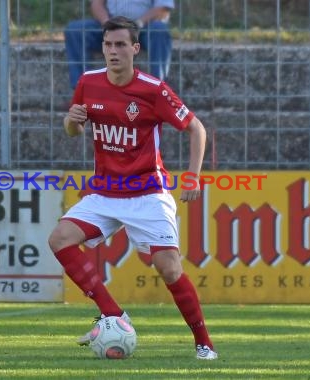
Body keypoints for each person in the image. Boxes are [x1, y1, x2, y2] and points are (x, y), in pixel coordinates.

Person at [48, 16, 218, 360]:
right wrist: (71, 121)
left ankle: (204, 343)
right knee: (60, 238)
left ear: (135, 49)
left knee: (169, 267)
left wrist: (192, 176)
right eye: (108, 45)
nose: (113, 51)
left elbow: (196, 128)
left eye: (121, 45)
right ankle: (113, 313)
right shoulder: (88, 82)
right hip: (105, 193)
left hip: (147, 193)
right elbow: (72, 130)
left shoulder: (153, 89)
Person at [64, 0, 173, 89]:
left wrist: (138, 24)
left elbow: (163, 8)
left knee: (160, 30)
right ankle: (82, 91)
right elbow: (96, 4)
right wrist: (107, 23)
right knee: (75, 30)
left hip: (145, 27)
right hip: (111, 25)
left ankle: (159, 90)